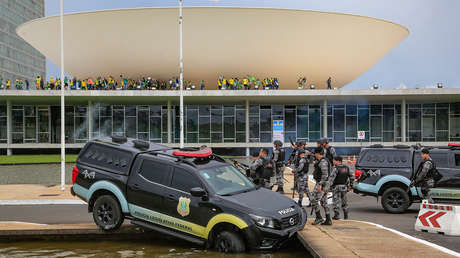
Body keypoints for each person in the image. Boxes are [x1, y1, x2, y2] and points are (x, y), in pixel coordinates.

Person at [311, 147, 332, 225]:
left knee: (313, 199)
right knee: (323, 201)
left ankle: (319, 217)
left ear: (317, 153)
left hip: (322, 183)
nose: (314, 155)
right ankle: (328, 219)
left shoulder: (323, 162)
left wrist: (320, 184)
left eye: (315, 153)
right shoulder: (324, 160)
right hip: (325, 184)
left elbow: (325, 175)